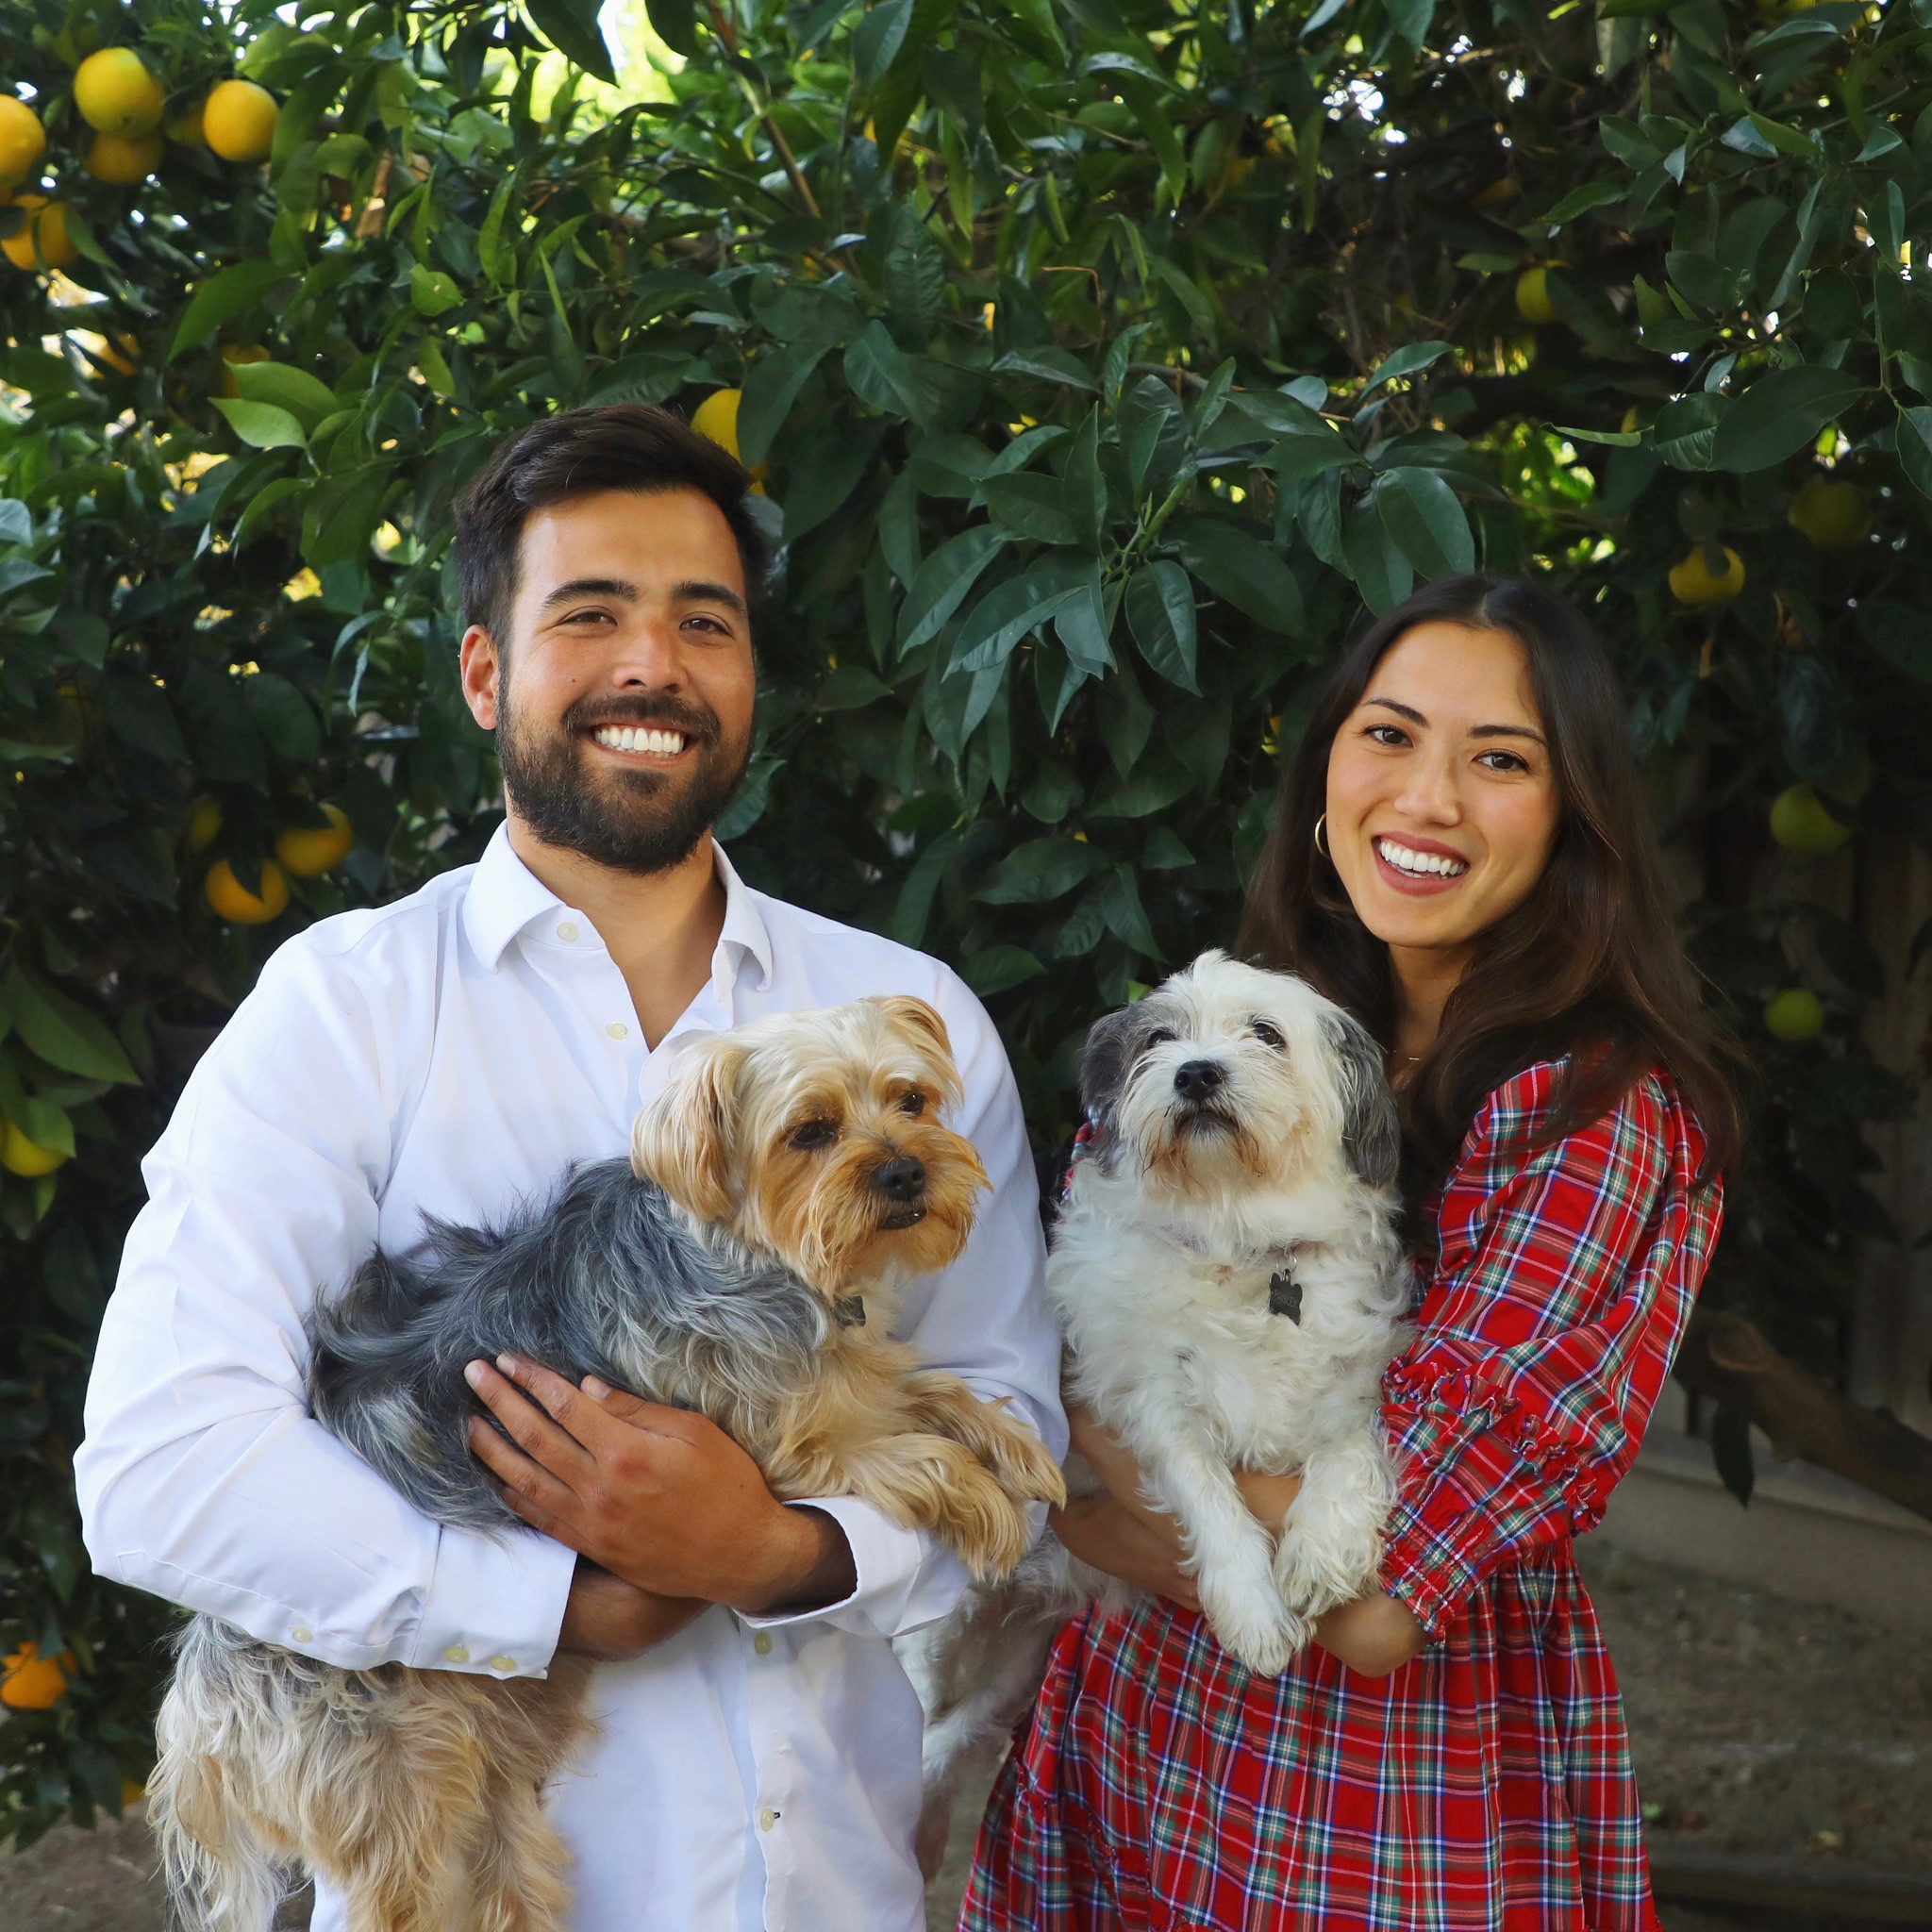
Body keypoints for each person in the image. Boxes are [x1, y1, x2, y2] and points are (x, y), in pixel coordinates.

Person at [75, 403, 1065, 1932]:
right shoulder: (350, 1006)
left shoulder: (909, 1022)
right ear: (486, 671)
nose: (651, 666)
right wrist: (550, 1605)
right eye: (590, 615)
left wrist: (776, 1550)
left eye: (703, 623)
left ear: (748, 677)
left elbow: (1007, 1430)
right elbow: (159, 1468)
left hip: (825, 1893)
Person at [962, 575, 1740, 1932]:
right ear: (1325, 772)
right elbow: (1068, 1366)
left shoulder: (1595, 1115)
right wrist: (1122, 1493)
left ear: (1573, 817)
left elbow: (1377, 1607)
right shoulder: (1267, 1032)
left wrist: (1110, 1511)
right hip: (1138, 1743)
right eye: (1389, 735)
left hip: (1379, 1795)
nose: (1428, 798)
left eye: (1499, 759)